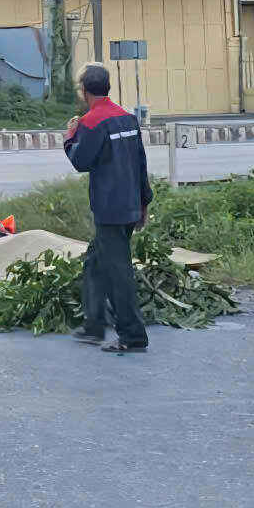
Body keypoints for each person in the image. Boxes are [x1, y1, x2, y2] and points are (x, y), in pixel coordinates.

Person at [64, 63, 153, 354]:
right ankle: (94, 325)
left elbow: (81, 161)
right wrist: (144, 203)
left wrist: (70, 138)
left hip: (109, 208)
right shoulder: (127, 118)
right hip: (128, 205)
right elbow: (141, 163)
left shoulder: (91, 122)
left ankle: (132, 335)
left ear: (84, 90)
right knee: (95, 262)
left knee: (118, 271)